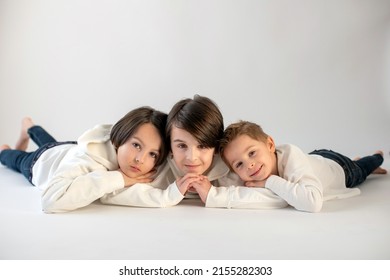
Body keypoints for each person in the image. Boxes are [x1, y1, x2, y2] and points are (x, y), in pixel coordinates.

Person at [101, 95, 287, 209]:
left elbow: (280, 198)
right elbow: (108, 194)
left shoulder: (234, 166)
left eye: (203, 146)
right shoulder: (153, 164)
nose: (192, 157)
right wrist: (170, 194)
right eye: (181, 146)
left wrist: (214, 196)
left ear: (215, 148)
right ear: (170, 147)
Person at [0, 107, 168, 213]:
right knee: (15, 158)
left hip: (66, 149)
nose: (140, 160)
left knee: (51, 143)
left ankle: (28, 127)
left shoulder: (133, 162)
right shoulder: (85, 161)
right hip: (39, 161)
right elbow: (50, 202)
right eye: (137, 145)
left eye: (153, 154)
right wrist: (120, 178)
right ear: (119, 139)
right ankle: (7, 147)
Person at [216, 120, 387, 213]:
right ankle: (355, 160)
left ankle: (376, 157)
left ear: (270, 145)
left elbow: (312, 203)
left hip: (342, 169)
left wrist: (269, 181)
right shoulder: (252, 171)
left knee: (363, 167)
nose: (249, 164)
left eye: (252, 153)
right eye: (239, 164)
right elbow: (222, 181)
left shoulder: (291, 155)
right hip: (314, 158)